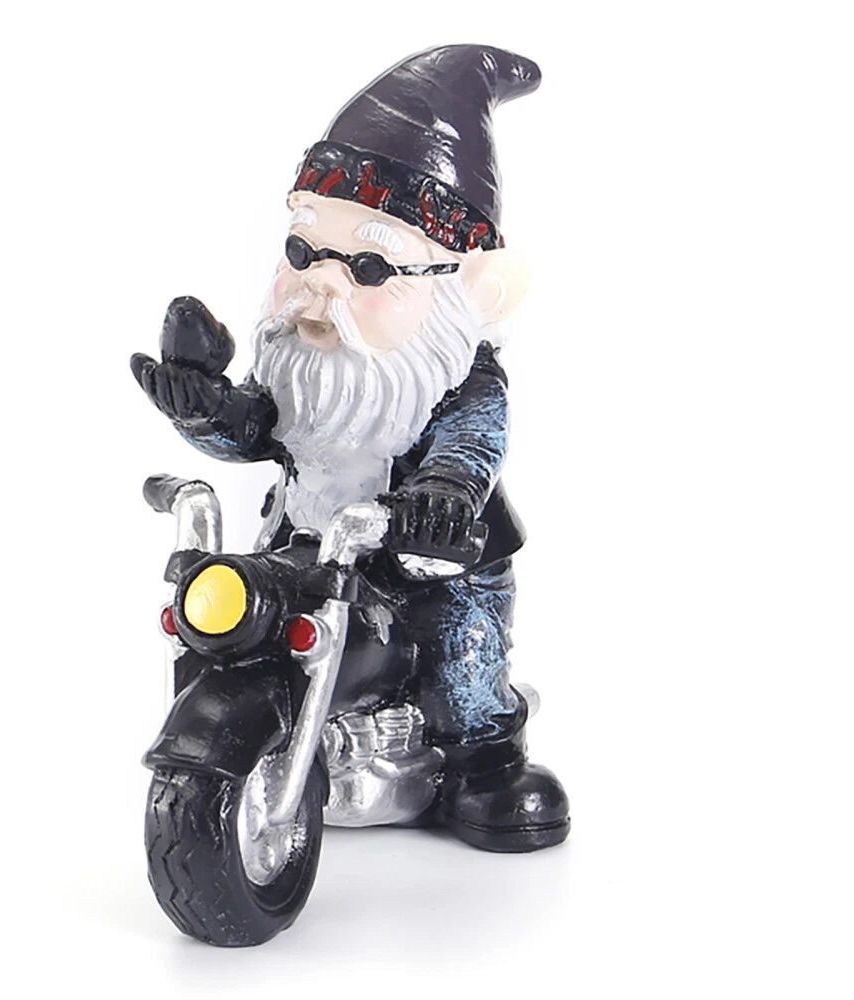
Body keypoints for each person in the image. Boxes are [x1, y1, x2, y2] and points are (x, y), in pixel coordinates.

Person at [131, 45, 569, 852]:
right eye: (304, 252)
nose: (321, 283)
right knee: (240, 616)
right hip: (309, 545)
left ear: (469, 290)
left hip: (430, 562)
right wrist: (205, 409)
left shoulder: (459, 382)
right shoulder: (305, 372)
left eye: (368, 265)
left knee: (459, 660)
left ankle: (485, 763)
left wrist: (442, 494)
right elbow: (259, 428)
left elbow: (470, 447)